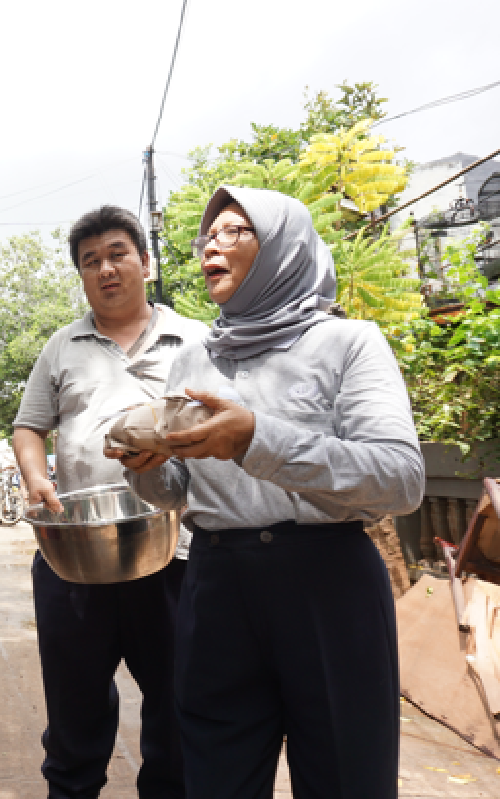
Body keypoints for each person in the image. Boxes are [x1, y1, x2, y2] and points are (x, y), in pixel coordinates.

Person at [110, 185, 424, 799]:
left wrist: (256, 438)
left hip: (329, 584)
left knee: (346, 776)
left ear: (283, 247)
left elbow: (401, 476)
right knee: (214, 777)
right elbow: (178, 488)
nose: (210, 248)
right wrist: (144, 465)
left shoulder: (348, 343)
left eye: (234, 233)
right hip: (217, 583)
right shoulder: (195, 358)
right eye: (207, 237)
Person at [12, 206, 207, 799]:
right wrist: (34, 478)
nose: (106, 270)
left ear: (145, 263)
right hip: (76, 559)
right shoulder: (62, 345)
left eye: (118, 254)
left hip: (176, 557)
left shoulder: (197, 339)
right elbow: (28, 428)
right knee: (74, 723)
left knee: (179, 716)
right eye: (90, 261)